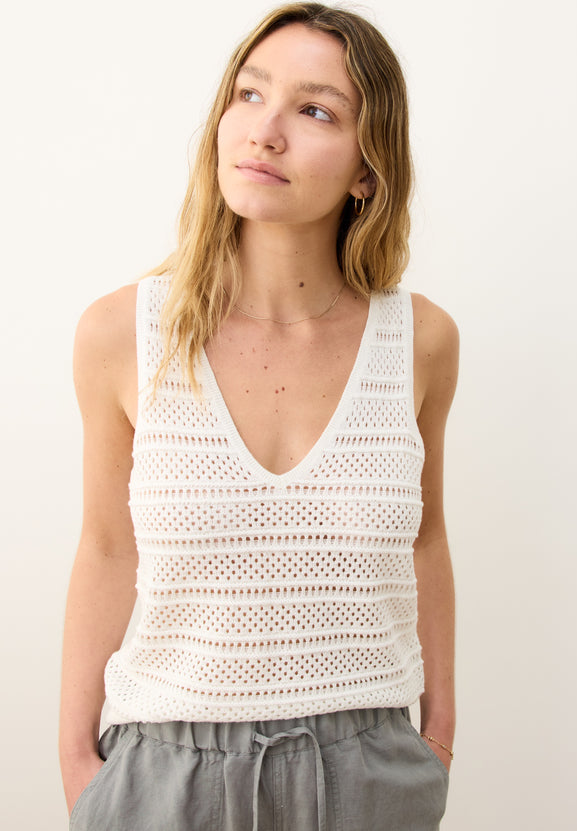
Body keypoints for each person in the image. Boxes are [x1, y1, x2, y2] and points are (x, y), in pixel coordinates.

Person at [59, 3, 458, 829]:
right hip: (164, 774)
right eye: (249, 94)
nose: (264, 132)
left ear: (368, 169)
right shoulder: (122, 334)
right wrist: (77, 766)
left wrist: (438, 738)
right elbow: (105, 545)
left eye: (315, 110)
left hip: (368, 772)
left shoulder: (419, 340)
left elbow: (425, 538)